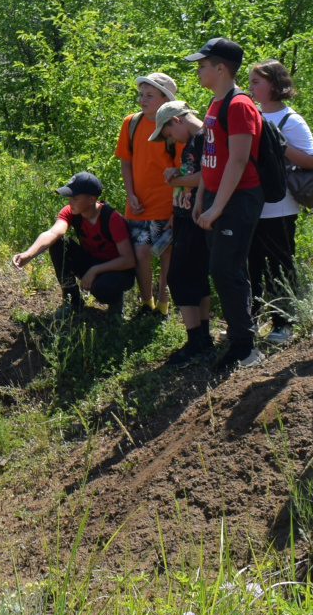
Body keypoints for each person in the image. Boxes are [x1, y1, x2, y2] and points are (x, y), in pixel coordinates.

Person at [187, 37, 266, 370]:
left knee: (225, 268)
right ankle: (241, 331)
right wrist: (201, 197)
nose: (198, 70)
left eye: (203, 65)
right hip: (216, 198)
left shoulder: (239, 105)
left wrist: (217, 207)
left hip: (238, 199)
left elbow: (238, 159)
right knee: (226, 269)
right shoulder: (214, 103)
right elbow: (211, 156)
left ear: (221, 68)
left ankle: (245, 348)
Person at [246, 60, 313, 344]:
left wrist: (280, 143)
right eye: (250, 82)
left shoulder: (291, 120)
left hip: (280, 206)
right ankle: (250, 322)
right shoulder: (250, 114)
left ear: (275, 85)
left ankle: (284, 323)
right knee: (250, 265)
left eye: (257, 82)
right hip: (249, 204)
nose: (251, 87)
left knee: (279, 266)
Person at [12, 171, 138, 316]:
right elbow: (53, 233)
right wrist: (28, 254)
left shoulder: (112, 219)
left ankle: (115, 305)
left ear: (91, 200)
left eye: (75, 198)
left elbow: (129, 260)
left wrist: (95, 270)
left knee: (102, 289)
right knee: (58, 243)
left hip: (117, 270)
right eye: (69, 197)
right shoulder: (71, 212)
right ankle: (72, 301)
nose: (70, 201)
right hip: (91, 261)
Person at [154, 101, 217, 367]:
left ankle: (195, 343)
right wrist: (177, 172)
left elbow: (208, 176)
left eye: (168, 133)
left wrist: (176, 180)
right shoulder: (194, 139)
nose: (172, 139)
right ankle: (203, 339)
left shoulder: (203, 138)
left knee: (179, 277)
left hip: (195, 216)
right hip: (185, 215)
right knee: (196, 278)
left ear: (176, 120)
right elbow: (193, 171)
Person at [114, 72, 180, 313]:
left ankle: (163, 305)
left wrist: (177, 209)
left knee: (167, 256)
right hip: (138, 204)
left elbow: (184, 169)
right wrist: (130, 193)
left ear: (166, 99)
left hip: (167, 205)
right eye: (141, 94)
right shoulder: (131, 123)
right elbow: (126, 162)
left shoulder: (175, 125)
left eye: (149, 95)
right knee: (141, 254)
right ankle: (146, 303)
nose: (142, 99)